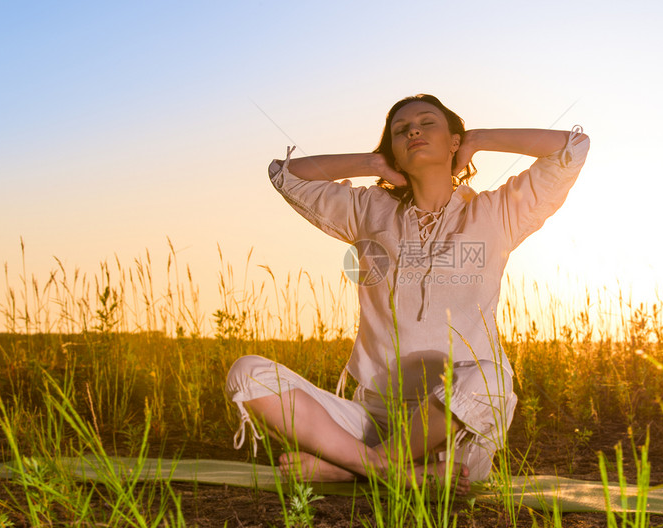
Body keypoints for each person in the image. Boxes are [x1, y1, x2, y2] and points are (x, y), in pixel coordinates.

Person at [226, 94, 590, 493]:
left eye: (427, 122)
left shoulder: (497, 212)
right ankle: (386, 468)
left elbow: (571, 147)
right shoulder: (368, 210)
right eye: (400, 130)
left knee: (490, 379)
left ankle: (357, 466)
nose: (413, 129)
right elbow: (286, 173)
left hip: (457, 424)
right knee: (247, 372)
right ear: (395, 154)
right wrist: (373, 163)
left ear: (453, 141)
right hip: (373, 419)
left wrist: (478, 138)